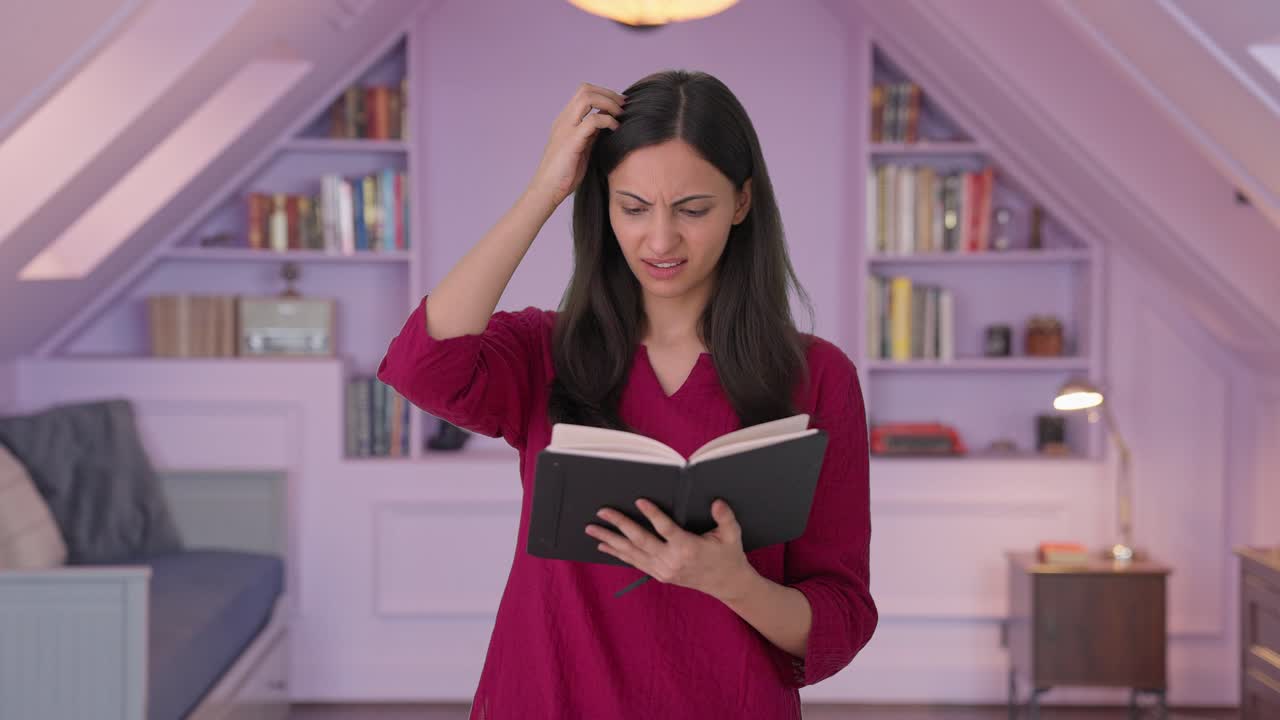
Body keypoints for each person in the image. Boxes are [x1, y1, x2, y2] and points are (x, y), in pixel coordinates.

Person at [377, 70, 876, 719]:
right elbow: (422, 367)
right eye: (634, 207)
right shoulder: (545, 351)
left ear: (741, 202)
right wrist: (545, 189)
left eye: (692, 210)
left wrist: (733, 583)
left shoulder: (818, 376)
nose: (660, 240)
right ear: (603, 206)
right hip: (548, 700)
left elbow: (841, 616)